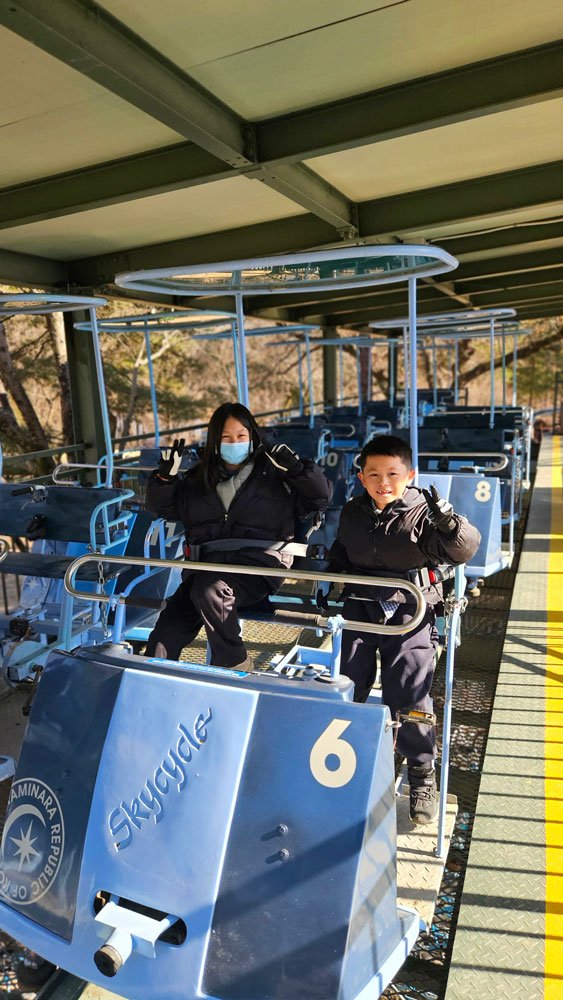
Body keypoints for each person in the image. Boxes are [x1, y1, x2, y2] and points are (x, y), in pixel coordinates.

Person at [317, 434, 480, 825]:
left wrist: (449, 522)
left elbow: (465, 548)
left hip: (411, 609)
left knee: (409, 690)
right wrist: (329, 578)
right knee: (348, 682)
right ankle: (354, 759)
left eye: (392, 473)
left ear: (410, 475)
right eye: (374, 474)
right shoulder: (354, 512)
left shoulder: (425, 512)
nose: (383, 482)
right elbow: (342, 550)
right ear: (361, 477)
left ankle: (422, 772)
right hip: (361, 606)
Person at [144, 402, 331, 668]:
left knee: (210, 590)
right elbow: (164, 508)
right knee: (166, 632)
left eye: (241, 436)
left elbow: (320, 497)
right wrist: (164, 480)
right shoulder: (199, 477)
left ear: (252, 437)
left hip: (258, 565)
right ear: (215, 442)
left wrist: (298, 470)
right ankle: (154, 679)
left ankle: (235, 663)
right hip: (205, 566)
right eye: (226, 437)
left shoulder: (274, 472)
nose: (235, 443)